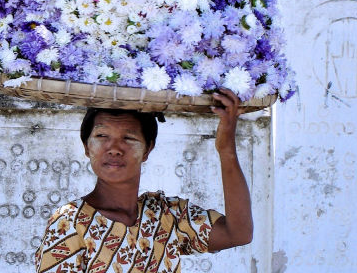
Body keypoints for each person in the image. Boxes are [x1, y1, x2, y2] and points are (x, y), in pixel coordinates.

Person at [35, 89, 253, 273]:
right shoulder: (70, 223)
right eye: (102, 136)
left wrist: (226, 150)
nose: (114, 149)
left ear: (148, 149)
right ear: (86, 146)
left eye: (128, 138)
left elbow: (238, 233)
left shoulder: (167, 215)